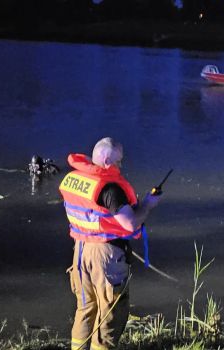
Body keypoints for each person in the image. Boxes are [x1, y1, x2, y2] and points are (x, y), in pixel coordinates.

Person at [59, 137, 161, 350]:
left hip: (80, 251)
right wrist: (148, 205)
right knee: (110, 314)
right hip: (105, 257)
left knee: (85, 309)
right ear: (106, 160)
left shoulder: (76, 179)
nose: (120, 166)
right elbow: (130, 224)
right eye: (118, 161)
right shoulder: (110, 189)